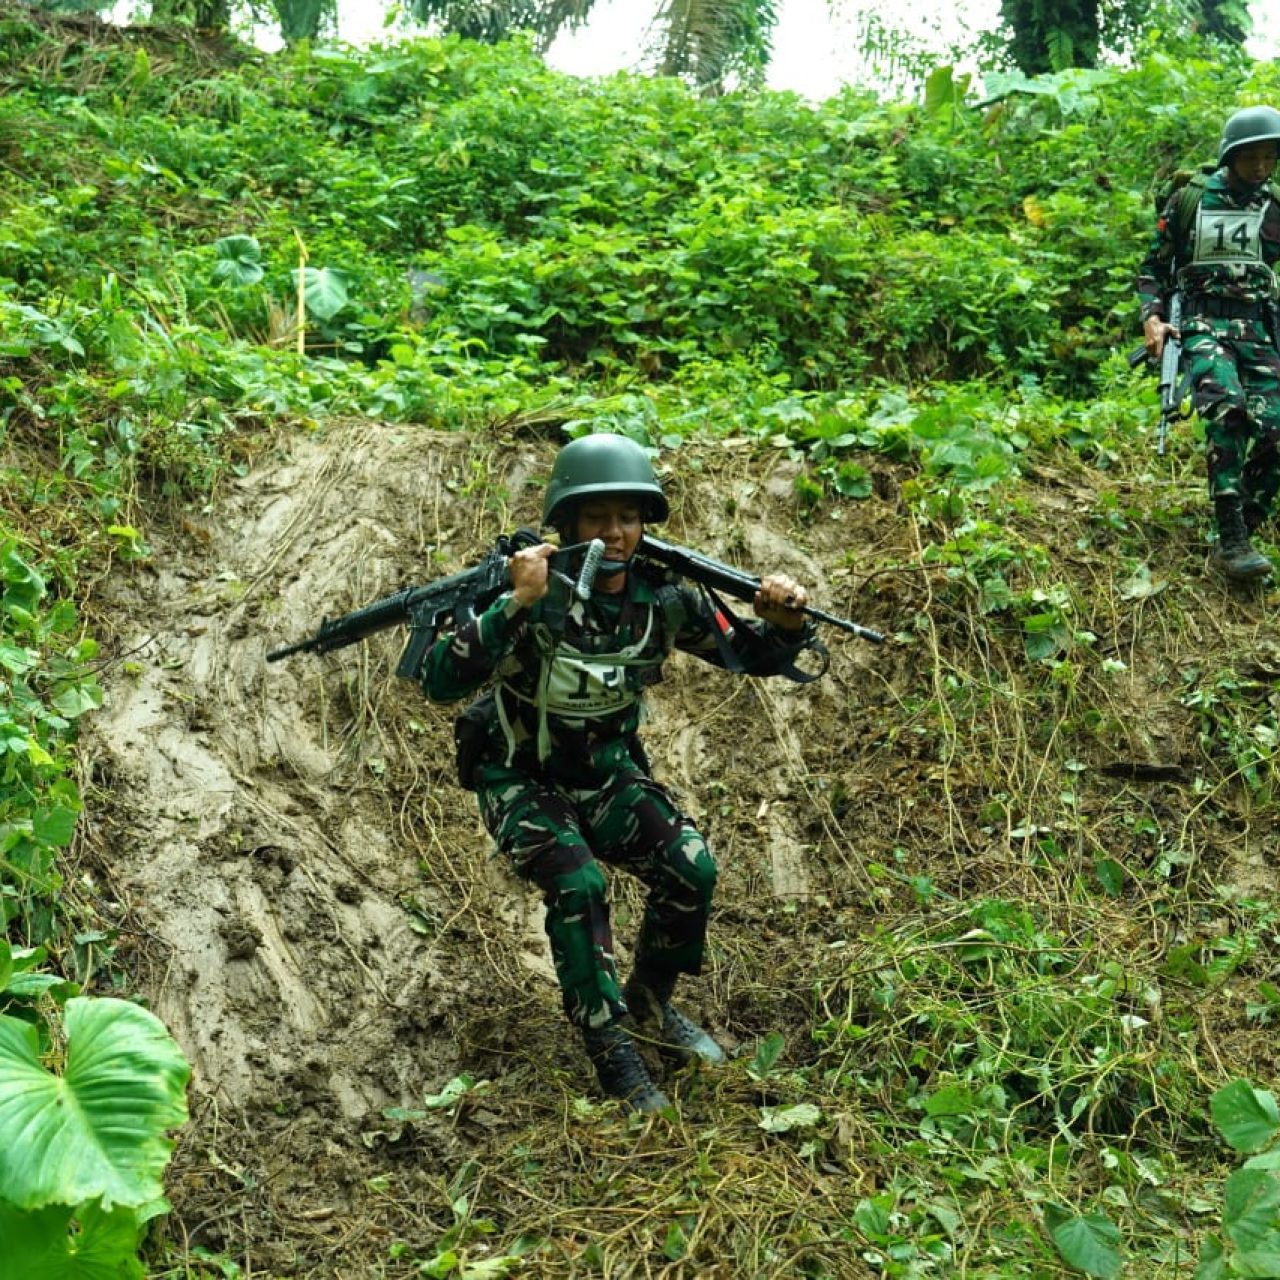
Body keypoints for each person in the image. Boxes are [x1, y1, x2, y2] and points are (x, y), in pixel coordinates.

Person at [419, 433, 820, 1113]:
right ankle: (611, 1051)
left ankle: (649, 1003)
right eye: (597, 518)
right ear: (567, 523)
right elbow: (439, 680)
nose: (614, 533)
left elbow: (747, 654)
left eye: (628, 518)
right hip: (521, 779)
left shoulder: (663, 598)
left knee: (691, 867)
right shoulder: (530, 590)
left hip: (607, 777)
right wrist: (513, 604)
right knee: (578, 883)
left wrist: (780, 623)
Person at [1136, 105, 1280, 582]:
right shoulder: (1191, 200)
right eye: (1251, 158)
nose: (1260, 168)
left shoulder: (1274, 208)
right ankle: (1231, 536)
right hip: (1201, 324)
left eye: (1269, 158)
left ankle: (1245, 523)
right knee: (1228, 411)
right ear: (1230, 156)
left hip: (1257, 330)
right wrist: (1153, 318)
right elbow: (1154, 268)